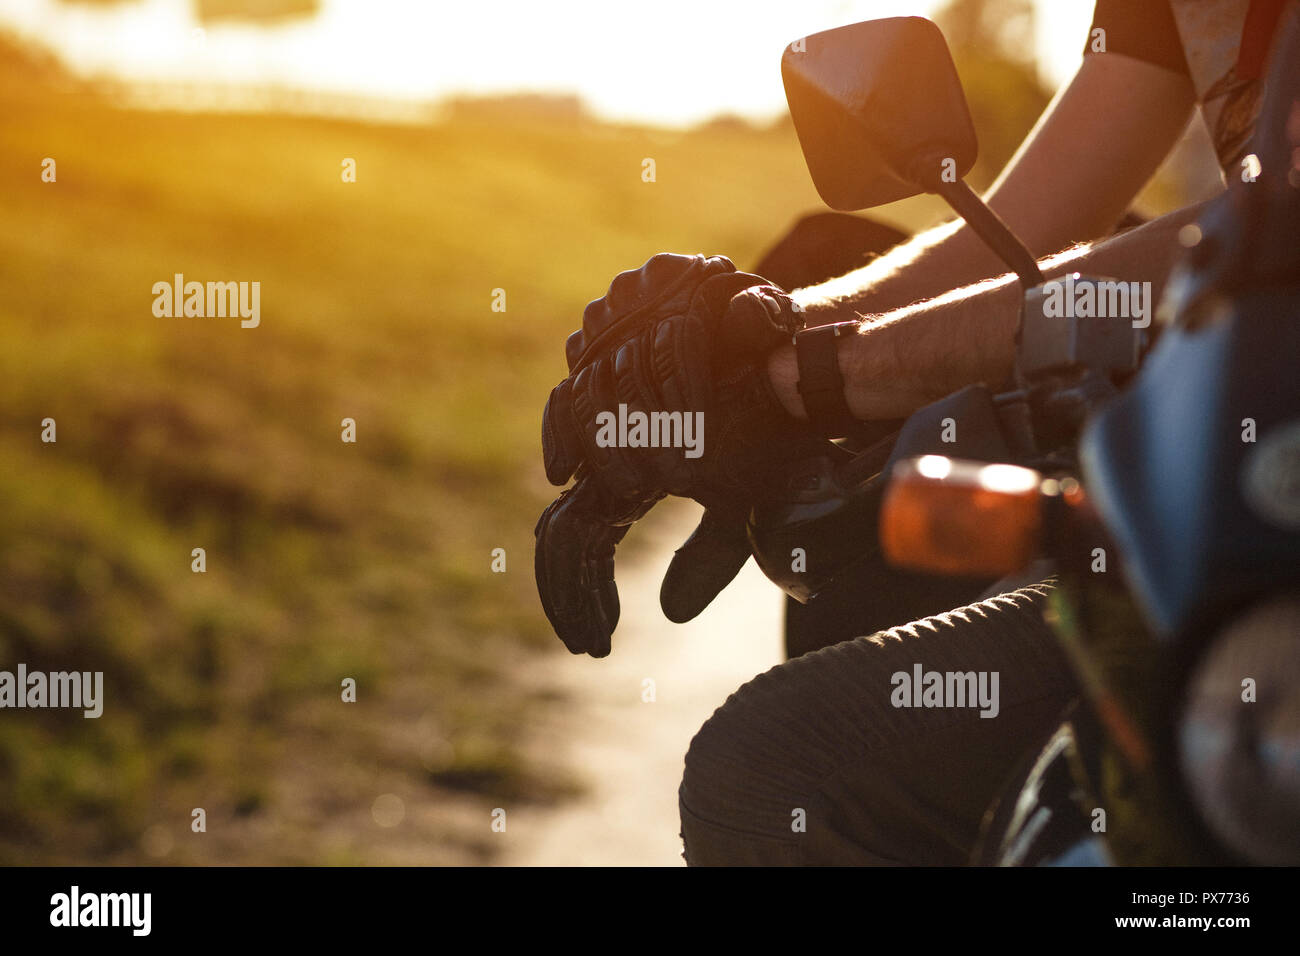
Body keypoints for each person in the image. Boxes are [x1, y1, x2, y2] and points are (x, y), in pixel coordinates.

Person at [535, 0, 1294, 864]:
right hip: (1222, 505)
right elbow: (1032, 218)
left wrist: (824, 378)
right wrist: (748, 343)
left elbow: (1277, 232)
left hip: (1266, 547)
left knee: (772, 776)